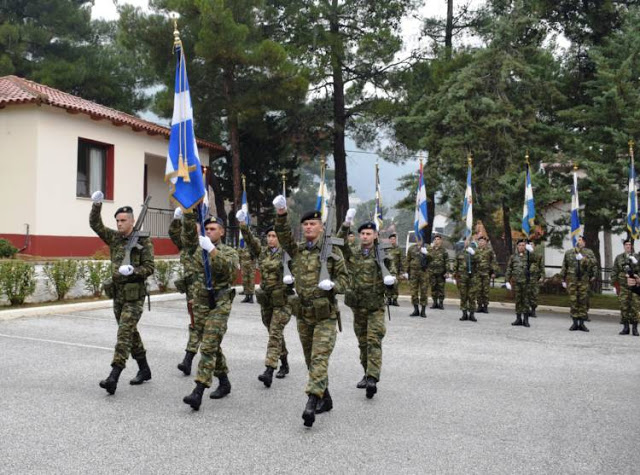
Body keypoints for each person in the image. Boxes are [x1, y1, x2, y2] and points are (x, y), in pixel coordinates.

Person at [273, 194, 349, 428]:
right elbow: (284, 238)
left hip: (325, 316)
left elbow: (346, 282)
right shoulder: (297, 251)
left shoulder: (334, 252)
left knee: (318, 358)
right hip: (304, 314)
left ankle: (311, 402)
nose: (308, 227)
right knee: (309, 360)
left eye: (313, 224)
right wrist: (282, 214)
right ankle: (325, 398)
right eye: (305, 224)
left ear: (321, 227)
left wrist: (333, 285)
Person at [89, 191, 154, 395]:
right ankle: (144, 369)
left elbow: (150, 267)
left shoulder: (144, 241)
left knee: (124, 333)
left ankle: (113, 377)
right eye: (117, 220)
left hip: (134, 296)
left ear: (132, 221)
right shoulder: (114, 238)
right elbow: (96, 225)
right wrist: (97, 205)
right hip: (118, 295)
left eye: (123, 220)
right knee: (130, 333)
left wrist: (134, 271)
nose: (119, 224)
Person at [182, 213, 239, 411]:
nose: (209, 232)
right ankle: (224, 382)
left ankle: (198, 390)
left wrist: (212, 250)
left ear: (222, 231)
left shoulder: (229, 252)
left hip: (220, 302)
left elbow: (230, 271)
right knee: (212, 345)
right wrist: (185, 216)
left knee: (207, 346)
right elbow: (182, 237)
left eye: (213, 229)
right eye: (207, 229)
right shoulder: (197, 250)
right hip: (201, 303)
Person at [338, 211, 397, 399]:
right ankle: (366, 372)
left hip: (376, 306)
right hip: (358, 306)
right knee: (362, 343)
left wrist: (390, 280)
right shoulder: (353, 252)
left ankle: (372, 378)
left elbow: (394, 280)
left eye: (368, 234)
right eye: (362, 233)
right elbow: (339, 243)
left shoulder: (383, 254)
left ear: (375, 235)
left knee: (373, 341)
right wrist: (346, 224)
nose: (365, 236)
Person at [237, 209, 293, 386]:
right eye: (269, 236)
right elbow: (251, 242)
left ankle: (269, 369)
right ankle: (284, 362)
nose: (270, 239)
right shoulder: (263, 253)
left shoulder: (287, 253)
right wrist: (243, 226)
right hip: (267, 301)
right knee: (273, 332)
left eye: (274, 236)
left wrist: (293, 279)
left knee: (275, 332)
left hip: (283, 301)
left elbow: (301, 268)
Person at [169, 208, 202, 376]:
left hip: (203, 291)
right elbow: (173, 233)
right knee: (196, 324)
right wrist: (176, 219)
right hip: (191, 290)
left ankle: (188, 359)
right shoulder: (186, 245)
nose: (190, 232)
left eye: (194, 230)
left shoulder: (205, 246)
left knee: (200, 326)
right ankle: (190, 360)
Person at [561, 236, 596, 332]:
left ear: (584, 243)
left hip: (583, 280)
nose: (578, 242)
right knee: (573, 301)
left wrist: (584, 259)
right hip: (572, 280)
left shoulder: (588, 252)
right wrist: (563, 279)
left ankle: (582, 323)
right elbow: (565, 265)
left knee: (582, 301)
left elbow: (594, 263)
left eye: (580, 240)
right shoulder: (569, 253)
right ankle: (575, 322)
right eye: (577, 240)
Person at [611, 239, 640, 336]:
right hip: (623, 286)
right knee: (624, 307)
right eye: (626, 245)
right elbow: (615, 271)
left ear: (631, 246)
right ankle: (626, 327)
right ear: (624, 246)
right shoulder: (619, 257)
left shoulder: (637, 257)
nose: (628, 246)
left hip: (635, 287)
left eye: (630, 245)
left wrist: (636, 264)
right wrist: (615, 285)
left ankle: (635, 328)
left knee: (635, 307)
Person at [505, 239, 535, 327]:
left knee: (525, 301)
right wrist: (507, 281)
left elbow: (536, 259)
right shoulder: (513, 257)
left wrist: (532, 251)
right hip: (516, 282)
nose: (521, 247)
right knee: (518, 300)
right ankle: (518, 319)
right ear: (517, 246)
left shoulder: (529, 256)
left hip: (526, 282)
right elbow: (509, 269)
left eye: (523, 245)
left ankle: (526, 320)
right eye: (520, 245)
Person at [405, 234, 430, 318]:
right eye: (417, 238)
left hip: (424, 273)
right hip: (413, 273)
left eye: (420, 238)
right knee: (413, 292)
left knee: (424, 292)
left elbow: (433, 258)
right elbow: (408, 260)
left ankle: (423, 311)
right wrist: (406, 272)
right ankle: (416, 310)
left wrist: (427, 253)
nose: (418, 239)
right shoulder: (411, 248)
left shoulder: (428, 247)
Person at [454, 239, 478, 322]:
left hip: (472, 277)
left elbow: (479, 261)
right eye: (465, 241)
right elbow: (455, 266)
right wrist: (454, 277)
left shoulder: (473, 252)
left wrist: (474, 254)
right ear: (464, 243)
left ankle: (472, 314)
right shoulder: (460, 253)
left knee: (472, 296)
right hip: (462, 278)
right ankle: (464, 314)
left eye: (468, 241)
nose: (467, 243)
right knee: (463, 296)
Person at [475, 235, 499, 313]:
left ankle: (485, 306)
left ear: (486, 242)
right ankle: (479, 306)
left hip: (486, 273)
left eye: (483, 241)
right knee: (478, 290)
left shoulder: (489, 251)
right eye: (480, 241)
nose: (481, 242)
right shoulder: (476, 251)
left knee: (485, 290)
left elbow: (493, 262)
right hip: (478, 273)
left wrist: (493, 272)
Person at [428, 234, 449, 310]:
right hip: (432, 273)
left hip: (441, 273)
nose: (436, 241)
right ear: (433, 241)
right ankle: (434, 303)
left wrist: (447, 272)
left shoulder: (444, 251)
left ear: (441, 241)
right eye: (435, 239)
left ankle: (440, 303)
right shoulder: (430, 250)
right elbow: (427, 261)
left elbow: (447, 261)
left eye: (438, 239)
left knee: (441, 289)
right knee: (433, 288)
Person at [386, 233, 403, 306]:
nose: (392, 240)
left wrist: (402, 271)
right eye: (391, 239)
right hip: (387, 270)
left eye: (394, 239)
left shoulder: (399, 249)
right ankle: (388, 299)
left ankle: (395, 300)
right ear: (389, 240)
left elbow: (402, 260)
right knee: (388, 285)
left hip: (395, 271)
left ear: (395, 240)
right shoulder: (386, 249)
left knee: (395, 285)